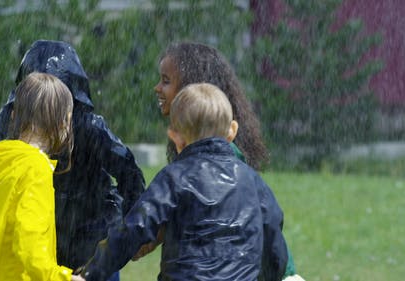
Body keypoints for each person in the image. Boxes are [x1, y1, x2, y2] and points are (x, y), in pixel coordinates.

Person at [80, 83, 288, 281]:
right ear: (232, 130)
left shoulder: (174, 177)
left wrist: (91, 273)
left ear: (175, 137)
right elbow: (272, 234)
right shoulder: (252, 180)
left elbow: (135, 227)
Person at [149, 41, 301, 280]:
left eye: (166, 81)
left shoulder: (221, 157)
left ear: (192, 91)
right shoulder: (198, 146)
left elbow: (268, 227)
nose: (157, 88)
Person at [0, 40, 146, 281]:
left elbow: (130, 174)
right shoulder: (11, 121)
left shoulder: (88, 127)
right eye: (38, 103)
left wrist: (126, 233)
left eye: (55, 105)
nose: (45, 114)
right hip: (39, 240)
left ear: (70, 107)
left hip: (91, 244)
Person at [0, 72, 84, 281]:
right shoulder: (35, 168)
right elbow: (29, 241)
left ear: (14, 116)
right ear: (63, 125)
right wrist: (59, 277)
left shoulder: (4, 159)